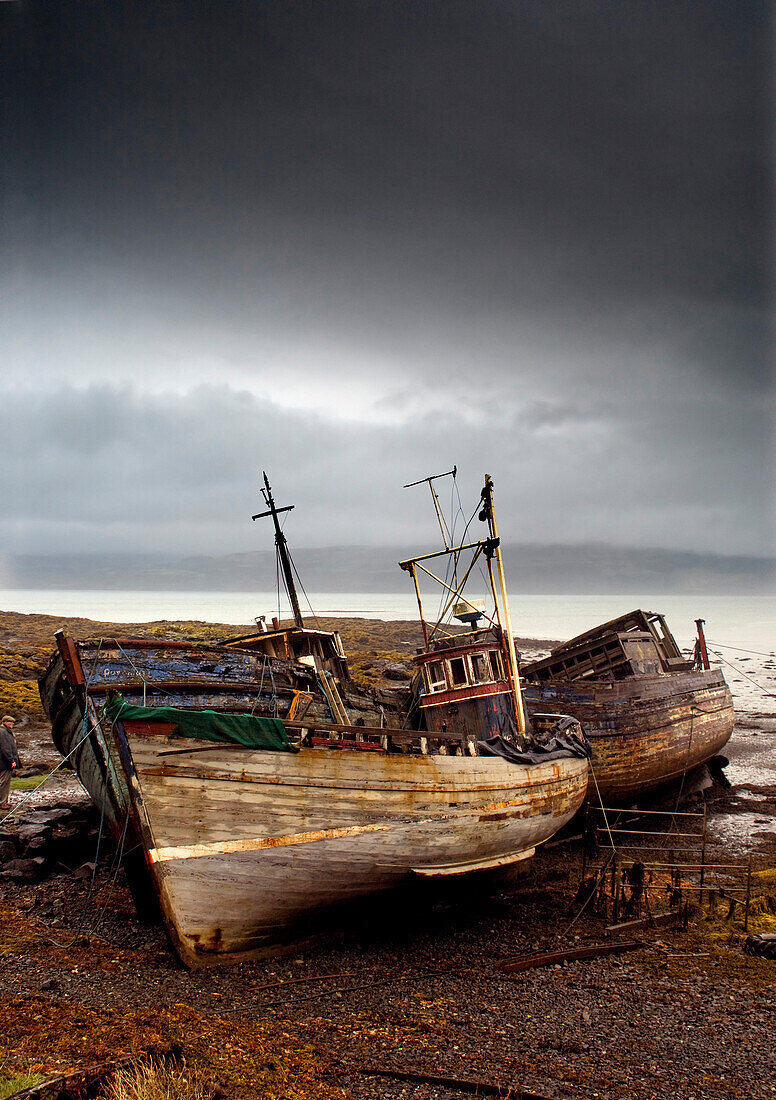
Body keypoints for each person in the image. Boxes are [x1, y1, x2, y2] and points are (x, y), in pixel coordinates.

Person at [0, 714, 20, 811]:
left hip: (3, 761)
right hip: (4, 762)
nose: (12, 723)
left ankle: (4, 801)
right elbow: (5, 748)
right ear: (5, 722)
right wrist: (12, 760)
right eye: (10, 722)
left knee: (3, 782)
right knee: (4, 783)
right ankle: (2, 803)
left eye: (12, 722)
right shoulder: (3, 732)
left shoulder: (6, 732)